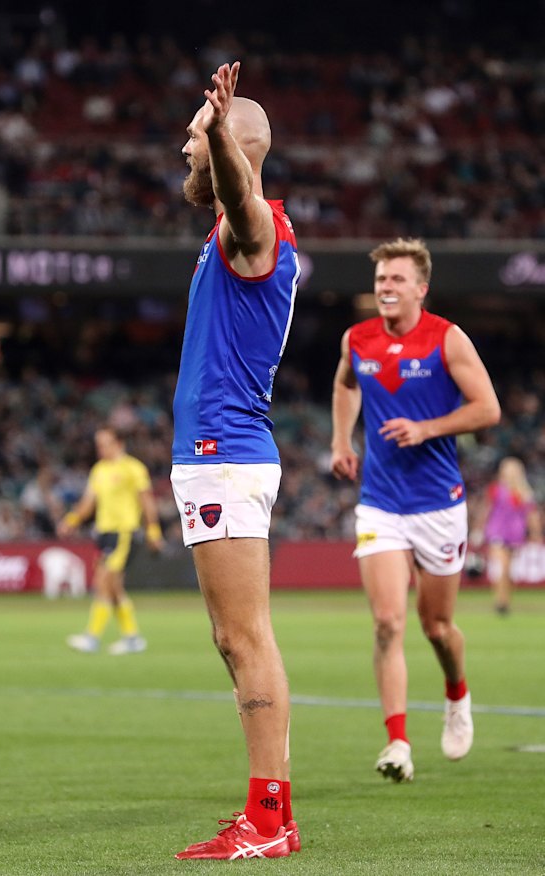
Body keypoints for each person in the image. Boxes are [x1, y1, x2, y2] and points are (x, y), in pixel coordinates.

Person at [170, 61, 301, 860]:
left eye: (196, 135)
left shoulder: (252, 233)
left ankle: (268, 820)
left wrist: (219, 133)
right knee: (237, 638)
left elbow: (241, 198)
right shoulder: (230, 241)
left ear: (232, 146)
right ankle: (270, 812)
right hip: (216, 457)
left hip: (227, 457)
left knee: (245, 638)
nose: (184, 146)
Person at [330, 237, 501, 783]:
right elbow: (344, 384)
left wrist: (427, 428)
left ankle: (456, 695)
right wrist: (341, 441)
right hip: (381, 504)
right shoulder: (357, 338)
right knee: (386, 622)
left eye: (397, 279)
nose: (385, 287)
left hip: (439, 504)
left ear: (420, 289)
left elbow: (488, 409)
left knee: (437, 626)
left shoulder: (446, 339)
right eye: (381, 279)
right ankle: (398, 742)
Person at [57, 425, 164, 655]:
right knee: (114, 588)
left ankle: (92, 637)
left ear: (119, 443)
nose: (100, 449)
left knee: (103, 581)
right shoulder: (99, 470)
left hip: (123, 533)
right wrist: (72, 519)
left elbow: (146, 500)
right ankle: (132, 637)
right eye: (98, 445)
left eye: (105, 444)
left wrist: (153, 530)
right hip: (104, 533)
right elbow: (88, 502)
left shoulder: (133, 468)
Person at [480, 457, 542, 614]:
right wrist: (480, 528)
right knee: (502, 567)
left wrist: (535, 532)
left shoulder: (523, 492)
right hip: (497, 531)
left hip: (515, 533)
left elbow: (531, 514)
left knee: (509, 570)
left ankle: (505, 600)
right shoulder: (496, 489)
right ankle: (500, 601)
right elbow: (487, 509)